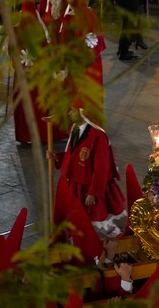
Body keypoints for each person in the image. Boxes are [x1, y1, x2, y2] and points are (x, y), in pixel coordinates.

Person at [57, 98, 126, 238]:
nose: (69, 113)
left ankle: (116, 240)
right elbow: (72, 154)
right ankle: (81, 240)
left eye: (73, 111)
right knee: (79, 216)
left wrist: (93, 192)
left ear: (83, 113)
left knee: (99, 218)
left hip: (91, 185)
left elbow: (102, 166)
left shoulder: (98, 136)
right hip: (77, 183)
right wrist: (56, 157)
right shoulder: (75, 129)